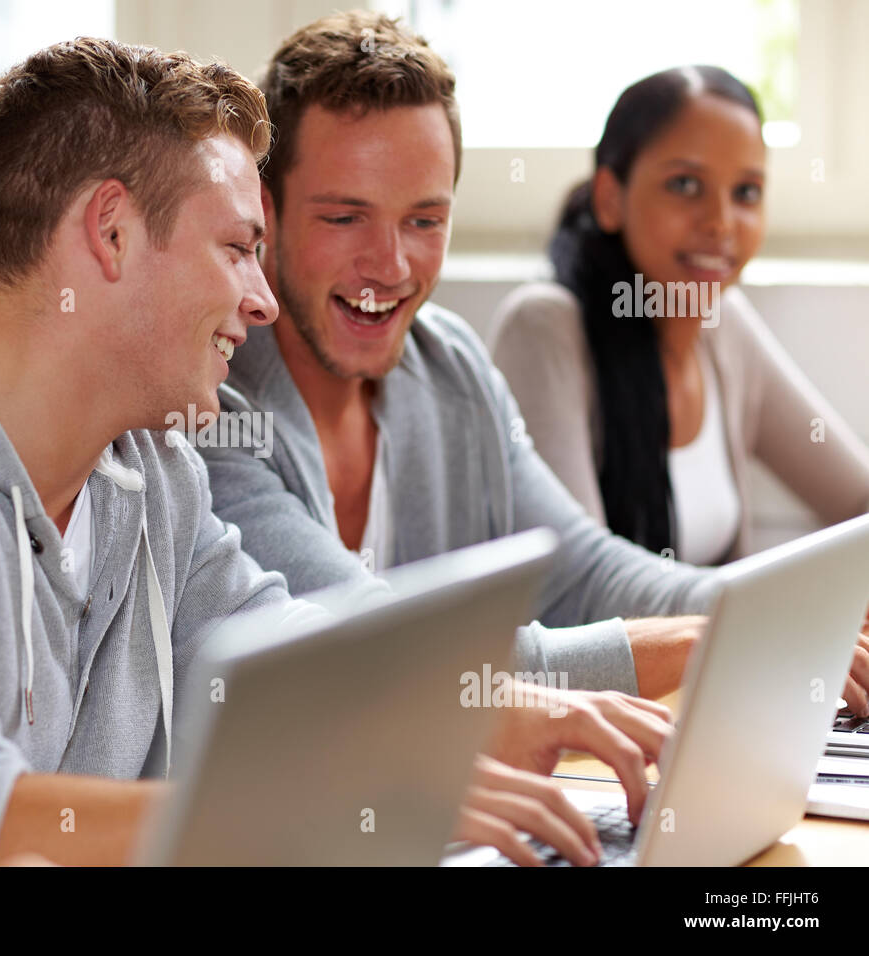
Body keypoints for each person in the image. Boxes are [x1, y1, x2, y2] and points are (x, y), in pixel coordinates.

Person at [0, 38, 671, 867]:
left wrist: (510, 714)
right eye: (236, 247)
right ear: (108, 233)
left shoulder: (150, 471)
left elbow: (312, 675)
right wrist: (318, 808)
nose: (262, 298)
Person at [197, 11, 723, 705]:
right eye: (344, 217)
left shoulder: (451, 367)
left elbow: (583, 572)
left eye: (424, 220)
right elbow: (393, 651)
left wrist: (763, 614)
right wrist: (697, 645)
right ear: (266, 211)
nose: (389, 266)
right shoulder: (210, 395)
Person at [490, 66, 869, 570]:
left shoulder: (724, 323)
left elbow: (857, 499)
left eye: (747, 192)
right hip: (648, 651)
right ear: (610, 198)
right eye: (685, 184)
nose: (720, 222)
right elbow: (578, 587)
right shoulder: (543, 329)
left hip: (727, 649)